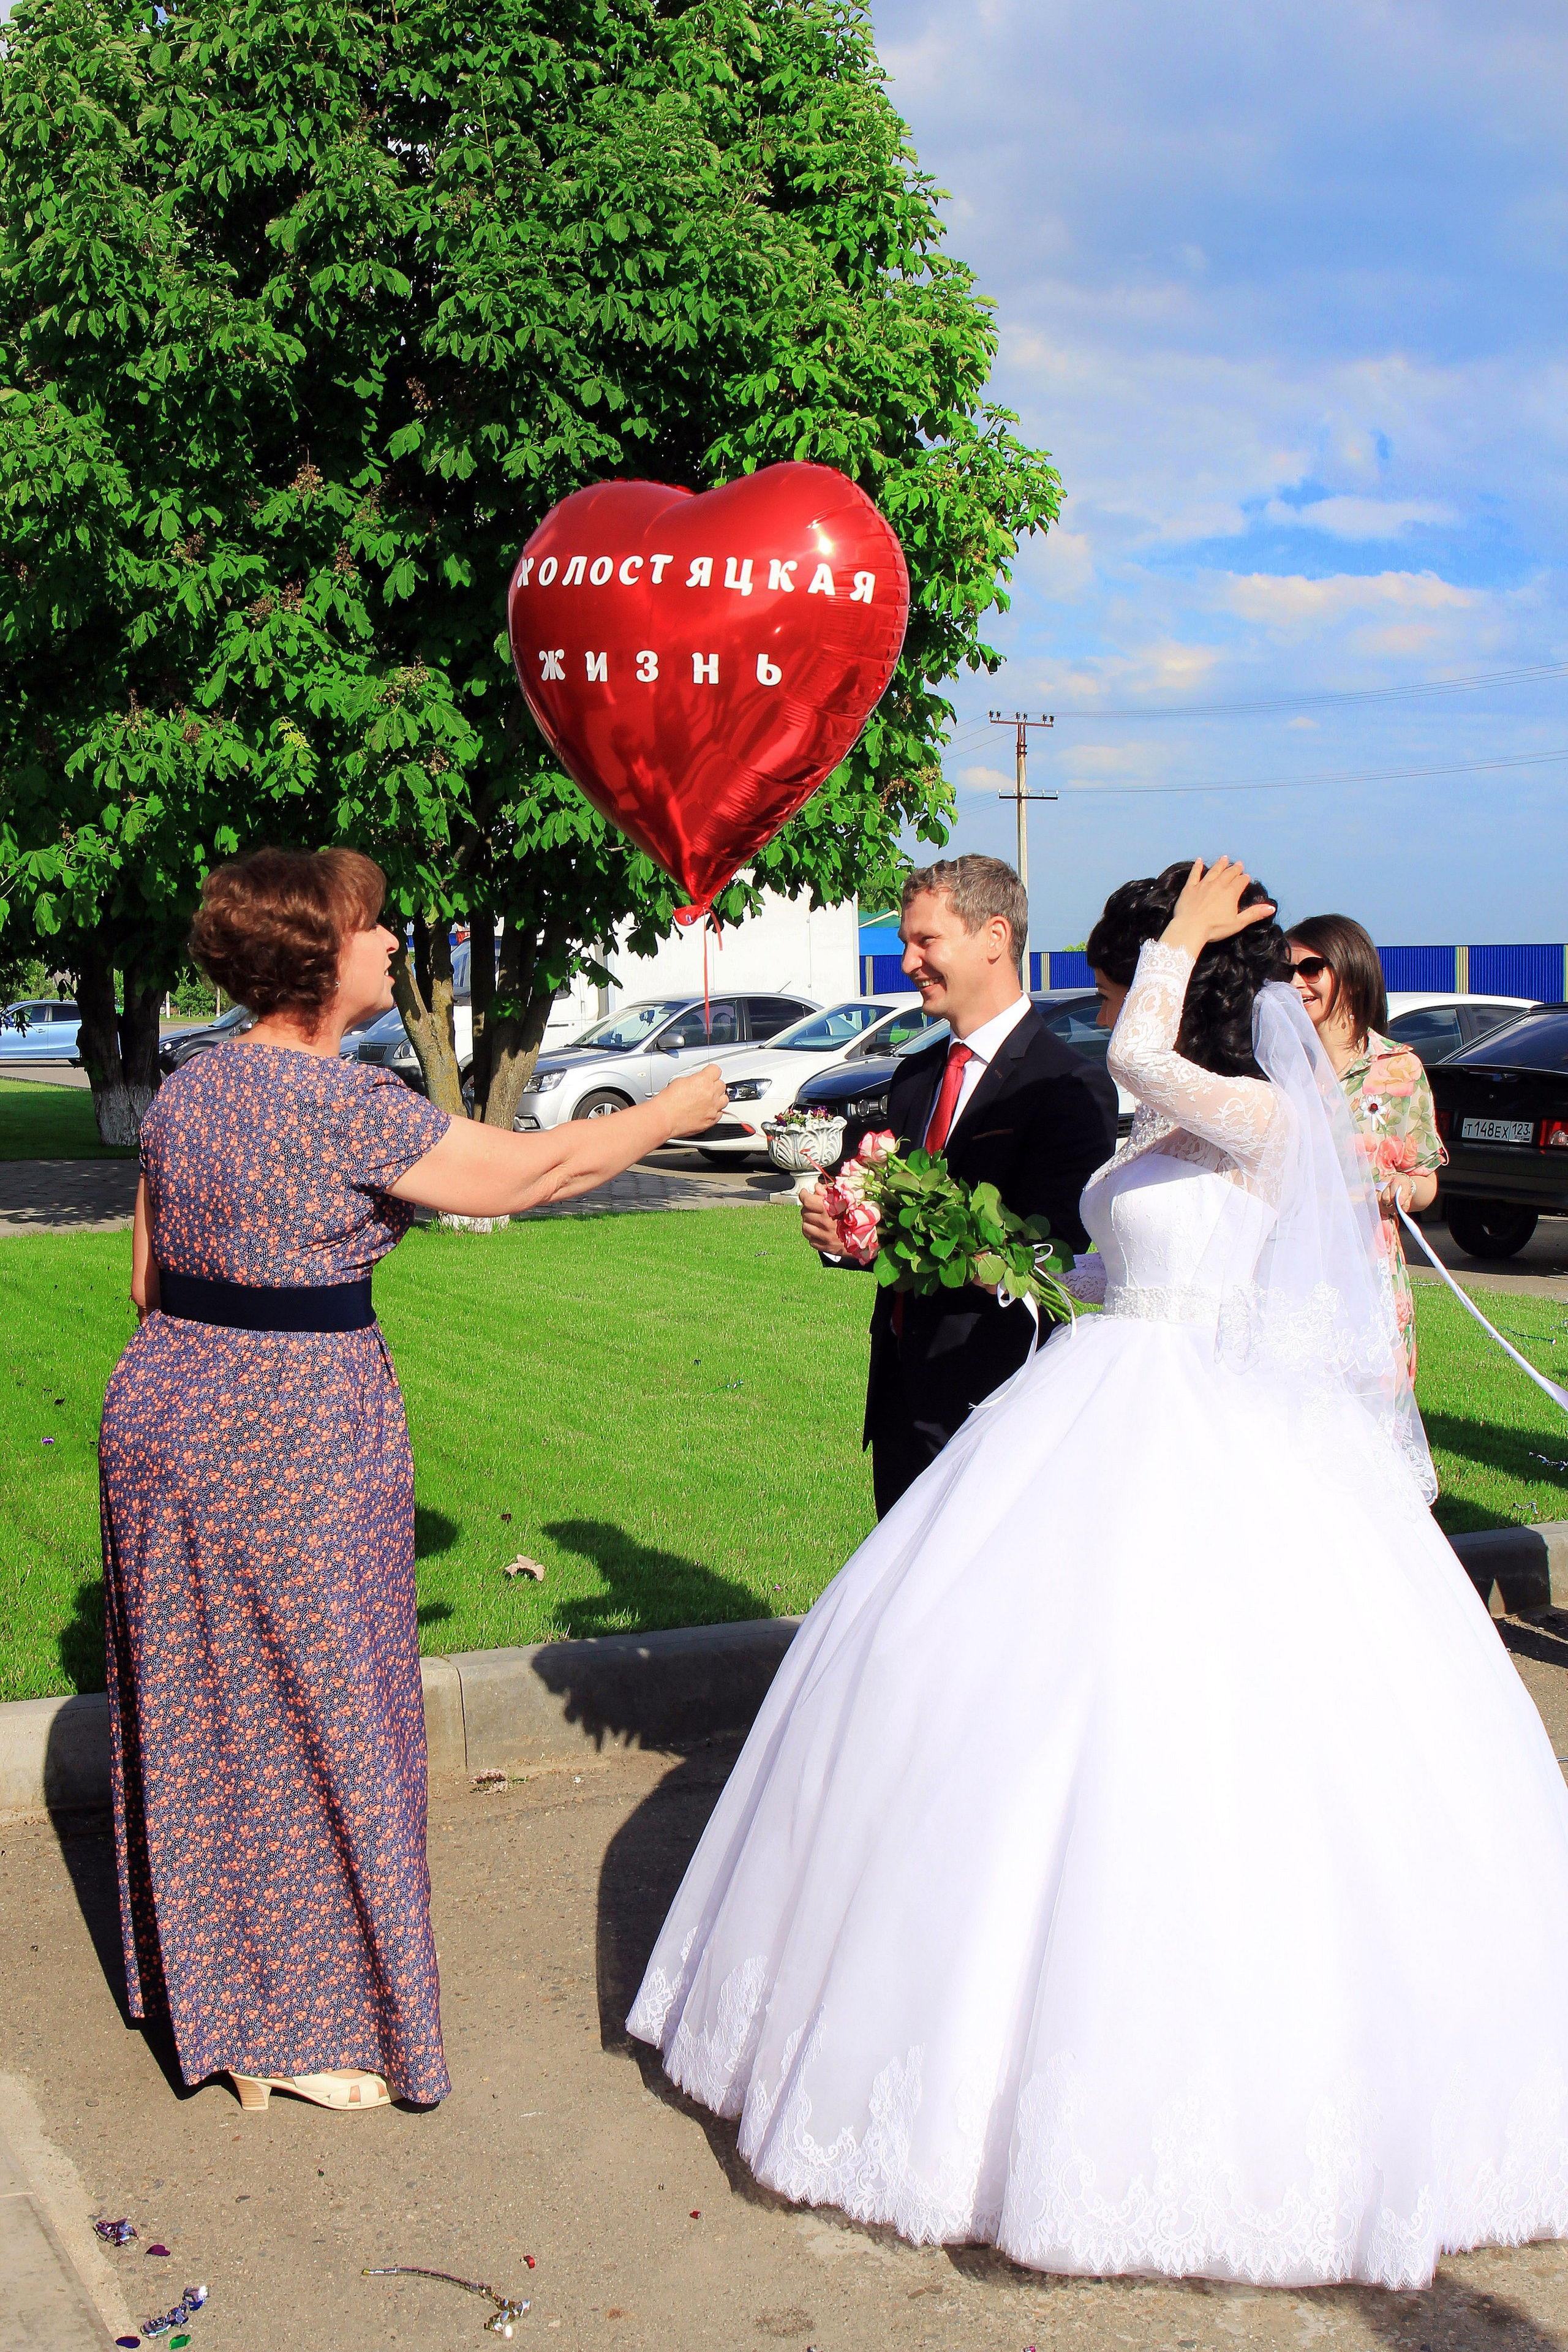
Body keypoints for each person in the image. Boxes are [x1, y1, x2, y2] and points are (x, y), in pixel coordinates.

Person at [629, 856, 1568, 2288]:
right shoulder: (1149, 1128)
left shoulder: (1266, 1111)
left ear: (1188, 981)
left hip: (1209, 1441)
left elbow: (1144, 1058)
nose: (1114, 997)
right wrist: (915, 1225)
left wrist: (1183, 938)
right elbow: (1088, 1270)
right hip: (1086, 1405)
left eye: (1130, 970)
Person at [100, 846, 726, 2114]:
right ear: (318, 959)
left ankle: (218, 2000)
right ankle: (306, 2027)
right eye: (373, 932)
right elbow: (532, 1174)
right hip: (290, 1426)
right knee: (326, 1718)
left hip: (162, 1406)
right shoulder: (340, 1104)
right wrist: (666, 1115)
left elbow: (146, 1283)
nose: (393, 947)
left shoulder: (189, 1088)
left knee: (202, 1711)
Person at [800, 856, 1117, 1517]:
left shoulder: (1065, 1085)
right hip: (898, 1395)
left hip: (998, 1388)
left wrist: (919, 1234)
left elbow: (1057, 1252)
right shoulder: (913, 1077)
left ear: (994, 938)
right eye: (905, 944)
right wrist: (843, 1235)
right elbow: (884, 1216)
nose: (909, 962)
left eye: (925, 941)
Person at [1287, 913, 1445, 1378]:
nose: (1295, 982)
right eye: (1284, 971)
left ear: (1352, 974)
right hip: (1289, 1264)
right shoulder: (1274, 1069)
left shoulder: (1400, 1070)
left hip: (1368, 1266)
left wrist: (1401, 1188)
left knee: (1372, 1406)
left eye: (1310, 968)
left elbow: (1426, 1179)